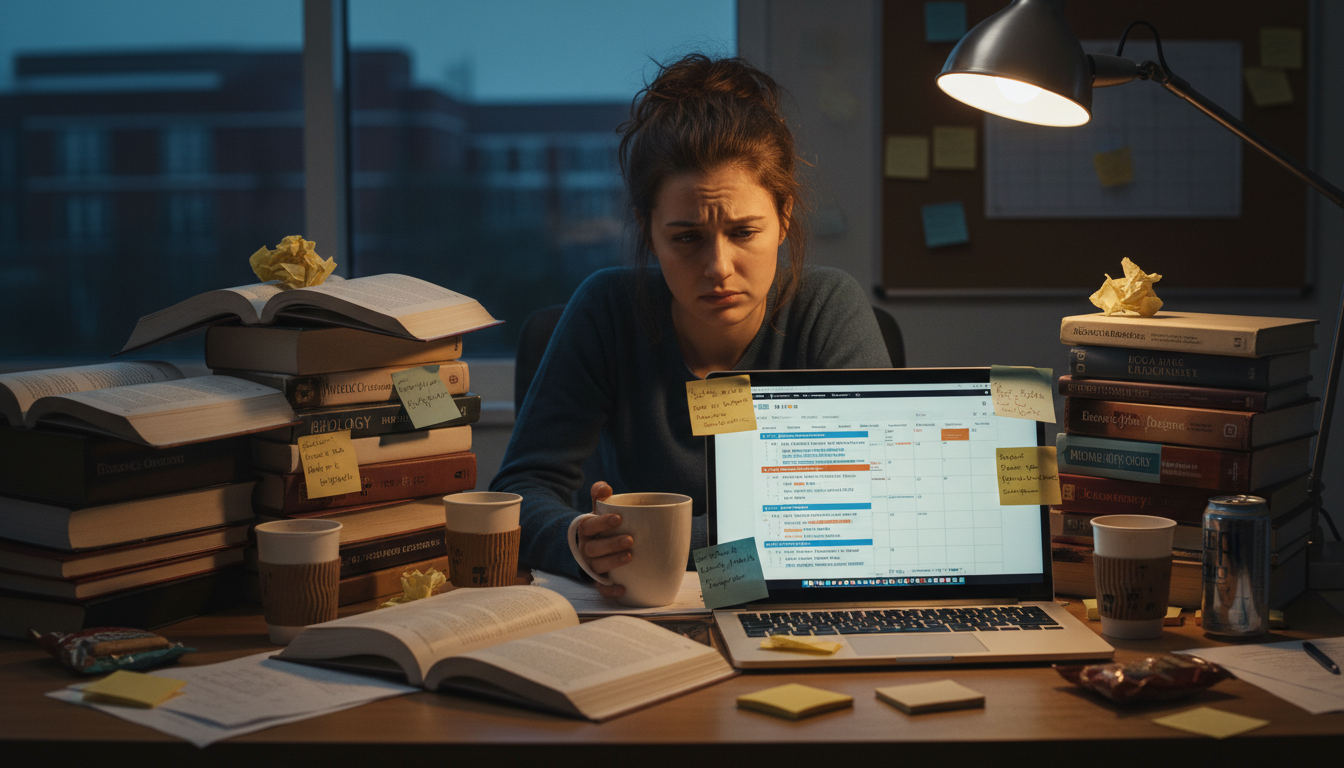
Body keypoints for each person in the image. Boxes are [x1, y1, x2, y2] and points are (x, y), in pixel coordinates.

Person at [489, 53, 891, 598]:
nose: (718, 267)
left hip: (785, 605)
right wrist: (578, 538)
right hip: (637, 610)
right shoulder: (607, 309)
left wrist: (654, 539)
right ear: (647, 230)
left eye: (744, 231)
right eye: (686, 238)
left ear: (785, 217)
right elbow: (521, 487)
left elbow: (862, 498)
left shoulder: (827, 309)